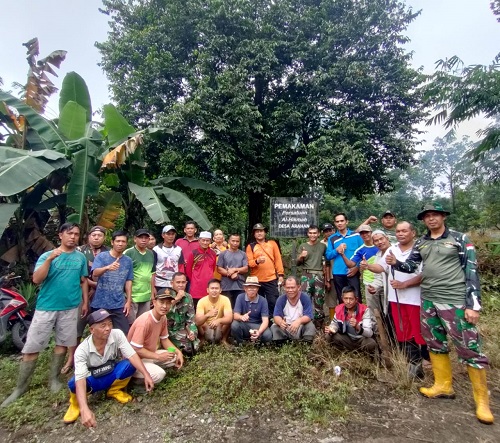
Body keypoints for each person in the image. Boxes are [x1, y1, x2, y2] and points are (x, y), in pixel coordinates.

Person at [387, 203, 493, 424]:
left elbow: (471, 270)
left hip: (454, 301)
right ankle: (443, 385)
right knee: (434, 342)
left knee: (469, 347)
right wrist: (396, 262)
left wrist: (473, 305)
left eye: (435, 215)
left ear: (443, 216)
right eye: (427, 216)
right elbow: (410, 266)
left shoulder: (459, 239)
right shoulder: (422, 242)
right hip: (428, 299)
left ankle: (482, 401)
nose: (431, 219)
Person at [1, 223, 89, 408]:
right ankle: (20, 387)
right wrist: (50, 259)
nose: (73, 237)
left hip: (70, 307)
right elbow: (37, 279)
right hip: (46, 307)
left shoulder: (80, 257)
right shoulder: (46, 256)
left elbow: (83, 281)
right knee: (33, 345)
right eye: (69, 233)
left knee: (62, 343)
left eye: (76, 234)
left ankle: (54, 379)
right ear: (60, 235)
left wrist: (85, 302)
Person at [62, 309, 154, 427]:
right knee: (73, 383)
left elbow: (131, 354)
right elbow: (80, 378)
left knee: (129, 364)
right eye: (103, 325)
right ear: (92, 330)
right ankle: (76, 404)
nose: (108, 328)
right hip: (92, 378)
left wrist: (146, 374)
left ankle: (114, 390)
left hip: (110, 371)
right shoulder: (81, 350)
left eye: (110, 323)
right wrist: (85, 409)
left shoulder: (117, 334)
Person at [366, 222, 427, 377]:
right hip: (396, 299)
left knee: (419, 332)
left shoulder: (420, 249)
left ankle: (427, 362)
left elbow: (424, 275)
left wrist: (404, 284)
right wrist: (367, 266)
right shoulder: (392, 250)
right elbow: (381, 268)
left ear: (413, 233)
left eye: (404, 231)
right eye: (398, 231)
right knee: (403, 331)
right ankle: (413, 364)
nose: (400, 234)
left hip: (415, 299)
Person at [62, 225, 109, 374]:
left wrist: (95, 287)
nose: (96, 237)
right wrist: (89, 288)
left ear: (104, 238)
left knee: (100, 326)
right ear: (88, 237)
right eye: (93, 235)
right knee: (77, 327)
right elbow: (79, 276)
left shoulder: (108, 252)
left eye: (99, 235)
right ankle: (72, 358)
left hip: (102, 294)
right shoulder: (79, 251)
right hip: (81, 293)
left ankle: (97, 357)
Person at [127, 288, 184, 385]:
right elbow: (135, 349)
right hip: (135, 360)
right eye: (161, 302)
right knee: (159, 374)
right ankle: (135, 381)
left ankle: (149, 369)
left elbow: (164, 340)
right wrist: (158, 357)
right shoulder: (144, 321)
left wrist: (178, 352)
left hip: (149, 354)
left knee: (174, 356)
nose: (165, 306)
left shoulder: (163, 317)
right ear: (154, 302)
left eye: (168, 303)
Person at [90, 230, 134, 334]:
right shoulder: (102, 256)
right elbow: (95, 273)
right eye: (118, 241)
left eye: (123, 241)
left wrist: (128, 301)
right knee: (100, 333)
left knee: (123, 333)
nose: (120, 244)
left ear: (126, 244)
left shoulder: (128, 261)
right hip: (100, 303)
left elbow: (129, 280)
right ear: (112, 242)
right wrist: (107, 267)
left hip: (118, 304)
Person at [324, 286, 377, 355]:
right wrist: (331, 329)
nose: (348, 302)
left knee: (371, 343)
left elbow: (369, 333)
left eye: (351, 299)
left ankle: (364, 354)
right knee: (328, 335)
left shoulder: (364, 310)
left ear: (356, 299)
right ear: (342, 298)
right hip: (347, 339)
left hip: (361, 340)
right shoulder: (339, 309)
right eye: (345, 299)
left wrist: (357, 327)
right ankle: (343, 352)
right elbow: (334, 324)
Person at [246, 223, 285, 316]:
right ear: (254, 234)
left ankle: (273, 322)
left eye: (261, 231)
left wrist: (281, 275)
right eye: (257, 232)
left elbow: (278, 260)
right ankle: (259, 323)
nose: (259, 233)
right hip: (256, 280)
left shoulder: (272, 244)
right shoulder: (250, 246)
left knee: (273, 301)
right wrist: (257, 261)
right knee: (257, 303)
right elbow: (249, 263)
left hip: (271, 279)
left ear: (265, 233)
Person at [325, 213, 363, 303]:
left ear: (346, 222)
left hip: (352, 272)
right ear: (335, 223)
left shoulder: (356, 236)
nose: (340, 223)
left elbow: (363, 253)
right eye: (337, 221)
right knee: (342, 299)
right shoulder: (332, 238)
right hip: (338, 273)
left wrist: (356, 268)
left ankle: (358, 317)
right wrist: (336, 250)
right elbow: (328, 256)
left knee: (356, 297)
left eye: (342, 221)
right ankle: (344, 317)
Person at [339, 225, 378, 308]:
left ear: (371, 233)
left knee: (387, 308)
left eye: (366, 232)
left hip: (384, 280)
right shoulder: (360, 250)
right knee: (373, 308)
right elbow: (351, 264)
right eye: (362, 233)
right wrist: (342, 255)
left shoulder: (380, 245)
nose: (364, 235)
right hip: (370, 282)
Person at [297, 225, 328, 327]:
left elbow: (327, 262)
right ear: (307, 234)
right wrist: (301, 256)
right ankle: (305, 324)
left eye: (315, 233)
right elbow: (298, 263)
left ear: (318, 234)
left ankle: (318, 326)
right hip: (307, 275)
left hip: (319, 275)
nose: (312, 235)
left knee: (319, 300)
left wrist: (327, 279)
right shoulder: (303, 246)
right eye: (310, 233)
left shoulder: (323, 246)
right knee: (305, 299)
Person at [125, 228, 156, 325]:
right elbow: (124, 275)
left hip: (146, 295)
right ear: (135, 239)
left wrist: (152, 294)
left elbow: (152, 274)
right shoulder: (128, 253)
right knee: (130, 323)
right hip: (132, 295)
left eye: (146, 238)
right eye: (141, 238)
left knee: (143, 323)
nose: (144, 240)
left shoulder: (151, 253)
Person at [271, 276, 316, 343]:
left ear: (298, 287)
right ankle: (281, 344)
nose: (290, 290)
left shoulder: (304, 297)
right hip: (286, 327)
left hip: (300, 326)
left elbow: (309, 316)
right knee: (274, 327)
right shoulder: (281, 299)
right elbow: (276, 316)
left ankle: (306, 344)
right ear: (284, 288)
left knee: (310, 325)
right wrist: (280, 322)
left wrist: (299, 321)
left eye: (293, 287)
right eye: (288, 288)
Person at [231, 276, 273, 345]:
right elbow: (235, 315)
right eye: (249, 287)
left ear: (257, 289)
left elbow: (265, 321)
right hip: (244, 324)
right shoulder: (240, 297)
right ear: (245, 288)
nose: (251, 289)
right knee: (234, 325)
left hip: (258, 325)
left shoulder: (263, 300)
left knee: (268, 335)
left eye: (254, 287)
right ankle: (240, 343)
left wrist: (259, 332)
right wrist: (241, 317)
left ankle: (257, 343)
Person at [167, 272, 199, 355]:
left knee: (195, 346)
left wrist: (192, 332)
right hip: (168, 330)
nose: (181, 285)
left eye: (183, 282)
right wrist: (176, 299)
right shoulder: (166, 296)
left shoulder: (188, 297)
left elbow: (191, 319)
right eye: (178, 282)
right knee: (186, 348)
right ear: (172, 283)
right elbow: (164, 313)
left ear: (186, 283)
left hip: (182, 329)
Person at [195, 279, 233, 345]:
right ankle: (202, 339)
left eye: (216, 288)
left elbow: (229, 318)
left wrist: (219, 320)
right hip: (206, 326)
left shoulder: (225, 299)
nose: (214, 291)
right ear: (207, 290)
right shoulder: (202, 301)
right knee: (196, 318)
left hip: (219, 326)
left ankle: (223, 339)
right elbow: (198, 322)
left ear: (220, 290)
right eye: (212, 288)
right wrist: (208, 315)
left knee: (231, 315)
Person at [185, 231, 217, 305]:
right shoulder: (193, 253)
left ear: (210, 241)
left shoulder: (213, 253)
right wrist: (194, 279)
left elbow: (213, 268)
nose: (205, 242)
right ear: (199, 240)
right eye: (203, 240)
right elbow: (188, 270)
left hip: (209, 286)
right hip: (196, 287)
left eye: (207, 240)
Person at [217, 233, 249, 307]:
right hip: (226, 286)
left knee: (239, 307)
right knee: (227, 307)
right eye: (233, 241)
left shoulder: (243, 254)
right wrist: (230, 274)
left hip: (240, 285)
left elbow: (246, 269)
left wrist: (235, 270)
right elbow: (219, 269)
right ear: (229, 241)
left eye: (237, 241)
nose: (235, 243)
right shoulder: (223, 254)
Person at [153, 224, 185, 290]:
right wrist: (152, 286)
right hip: (159, 282)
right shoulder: (156, 249)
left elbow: (181, 267)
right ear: (163, 235)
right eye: (168, 234)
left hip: (174, 283)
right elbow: (152, 269)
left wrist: (181, 283)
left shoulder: (179, 249)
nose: (171, 236)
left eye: (172, 234)